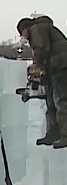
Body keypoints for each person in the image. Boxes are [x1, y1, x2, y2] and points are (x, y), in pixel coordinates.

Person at [17, 15, 67, 147]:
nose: (24, 38)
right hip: (54, 67)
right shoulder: (43, 28)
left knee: (61, 100)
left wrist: (37, 66)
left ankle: (65, 135)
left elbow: (41, 48)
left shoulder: (37, 28)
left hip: (62, 66)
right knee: (50, 101)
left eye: (22, 34)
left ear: (25, 29)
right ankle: (53, 134)